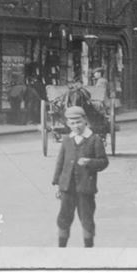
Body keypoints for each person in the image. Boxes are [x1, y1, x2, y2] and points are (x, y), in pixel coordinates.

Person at [52, 106, 108, 247]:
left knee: (86, 218)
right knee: (64, 218)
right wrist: (58, 184)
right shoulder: (66, 140)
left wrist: (90, 162)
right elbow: (60, 163)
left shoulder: (94, 140)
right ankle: (61, 248)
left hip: (85, 188)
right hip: (67, 188)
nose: (76, 126)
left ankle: (88, 247)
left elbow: (103, 162)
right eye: (72, 123)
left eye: (79, 122)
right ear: (68, 124)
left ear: (85, 121)